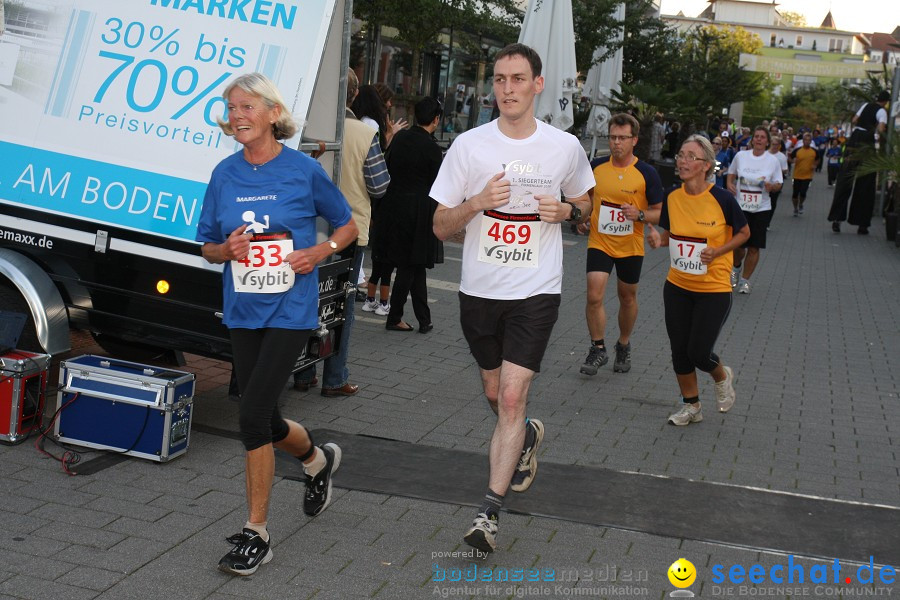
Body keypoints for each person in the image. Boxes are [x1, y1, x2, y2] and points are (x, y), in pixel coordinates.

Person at [430, 43, 594, 553]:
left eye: (518, 79)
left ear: (537, 85)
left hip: (536, 288)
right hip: (480, 289)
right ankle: (525, 438)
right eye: (500, 80)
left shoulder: (564, 147)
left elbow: (587, 206)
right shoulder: (469, 147)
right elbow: (438, 226)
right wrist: (476, 203)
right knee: (493, 392)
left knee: (510, 397)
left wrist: (566, 212)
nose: (507, 89)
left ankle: (489, 514)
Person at [196, 73, 358, 575]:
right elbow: (206, 246)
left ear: (272, 113)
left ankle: (257, 533)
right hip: (244, 309)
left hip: (290, 309)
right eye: (231, 107)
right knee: (262, 419)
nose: (237, 115)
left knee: (251, 417)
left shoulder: (302, 172)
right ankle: (316, 461)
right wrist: (226, 250)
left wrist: (320, 250)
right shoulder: (224, 174)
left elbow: (348, 225)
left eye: (246, 106)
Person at [293, 69, 390, 396]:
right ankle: (335, 376)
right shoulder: (365, 134)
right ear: (354, 93)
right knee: (342, 303)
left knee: (308, 297)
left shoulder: (309, 130)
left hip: (310, 229)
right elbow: (379, 185)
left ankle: (303, 374)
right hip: (350, 230)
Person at [649, 135, 750, 427]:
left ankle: (721, 375)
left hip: (713, 289)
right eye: (680, 155)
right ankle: (691, 406)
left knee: (699, 352)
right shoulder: (672, 196)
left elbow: (743, 234)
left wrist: (718, 251)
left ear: (706, 165)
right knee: (679, 350)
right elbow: (670, 232)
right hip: (677, 286)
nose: (682, 161)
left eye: (690, 157)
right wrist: (659, 238)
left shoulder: (722, 199)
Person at [578, 113, 663, 376]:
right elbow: (586, 199)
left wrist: (638, 215)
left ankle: (623, 344)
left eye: (622, 138)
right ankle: (598, 347)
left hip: (630, 245)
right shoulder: (596, 167)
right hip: (600, 241)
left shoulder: (646, 173)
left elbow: (660, 212)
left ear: (634, 140)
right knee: (594, 295)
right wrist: (582, 218)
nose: (616, 143)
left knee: (627, 298)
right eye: (613, 137)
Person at [371, 97, 445, 333]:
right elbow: (439, 184)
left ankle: (425, 320)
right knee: (409, 264)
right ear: (436, 120)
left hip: (393, 206)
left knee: (415, 264)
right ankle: (394, 317)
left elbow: (387, 168)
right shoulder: (433, 149)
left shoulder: (401, 138)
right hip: (420, 212)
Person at [726, 126, 783, 294]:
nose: (758, 139)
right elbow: (731, 173)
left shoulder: (773, 161)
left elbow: (779, 184)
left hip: (761, 208)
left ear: (767, 141)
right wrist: (730, 183)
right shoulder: (741, 156)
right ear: (752, 140)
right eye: (756, 136)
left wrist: (771, 186)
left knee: (754, 247)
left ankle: (745, 280)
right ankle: (736, 268)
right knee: (738, 246)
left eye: (762, 137)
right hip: (741, 206)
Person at [828, 90, 890, 234]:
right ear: (886, 102)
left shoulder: (866, 105)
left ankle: (837, 219)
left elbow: (855, 120)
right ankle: (862, 224)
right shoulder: (882, 111)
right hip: (867, 146)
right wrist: (875, 133)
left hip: (853, 142)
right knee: (866, 185)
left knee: (845, 180)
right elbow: (880, 129)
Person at [788, 132, 819, 217]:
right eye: (805, 140)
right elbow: (789, 157)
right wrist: (792, 161)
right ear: (803, 141)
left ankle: (801, 204)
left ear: (811, 141)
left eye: (809, 140)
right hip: (796, 175)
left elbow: (818, 159)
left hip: (807, 176)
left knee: (803, 193)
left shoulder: (814, 151)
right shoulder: (798, 150)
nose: (807, 142)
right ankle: (795, 208)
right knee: (795, 194)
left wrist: (815, 165)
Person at [765, 135, 789, 228]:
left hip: (776, 183)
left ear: (779, 145)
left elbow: (785, 170)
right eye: (773, 144)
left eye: (776, 144)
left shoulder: (782, 157)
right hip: (765, 183)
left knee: (772, 203)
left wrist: (776, 171)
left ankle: (768, 222)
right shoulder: (765, 154)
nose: (774, 146)